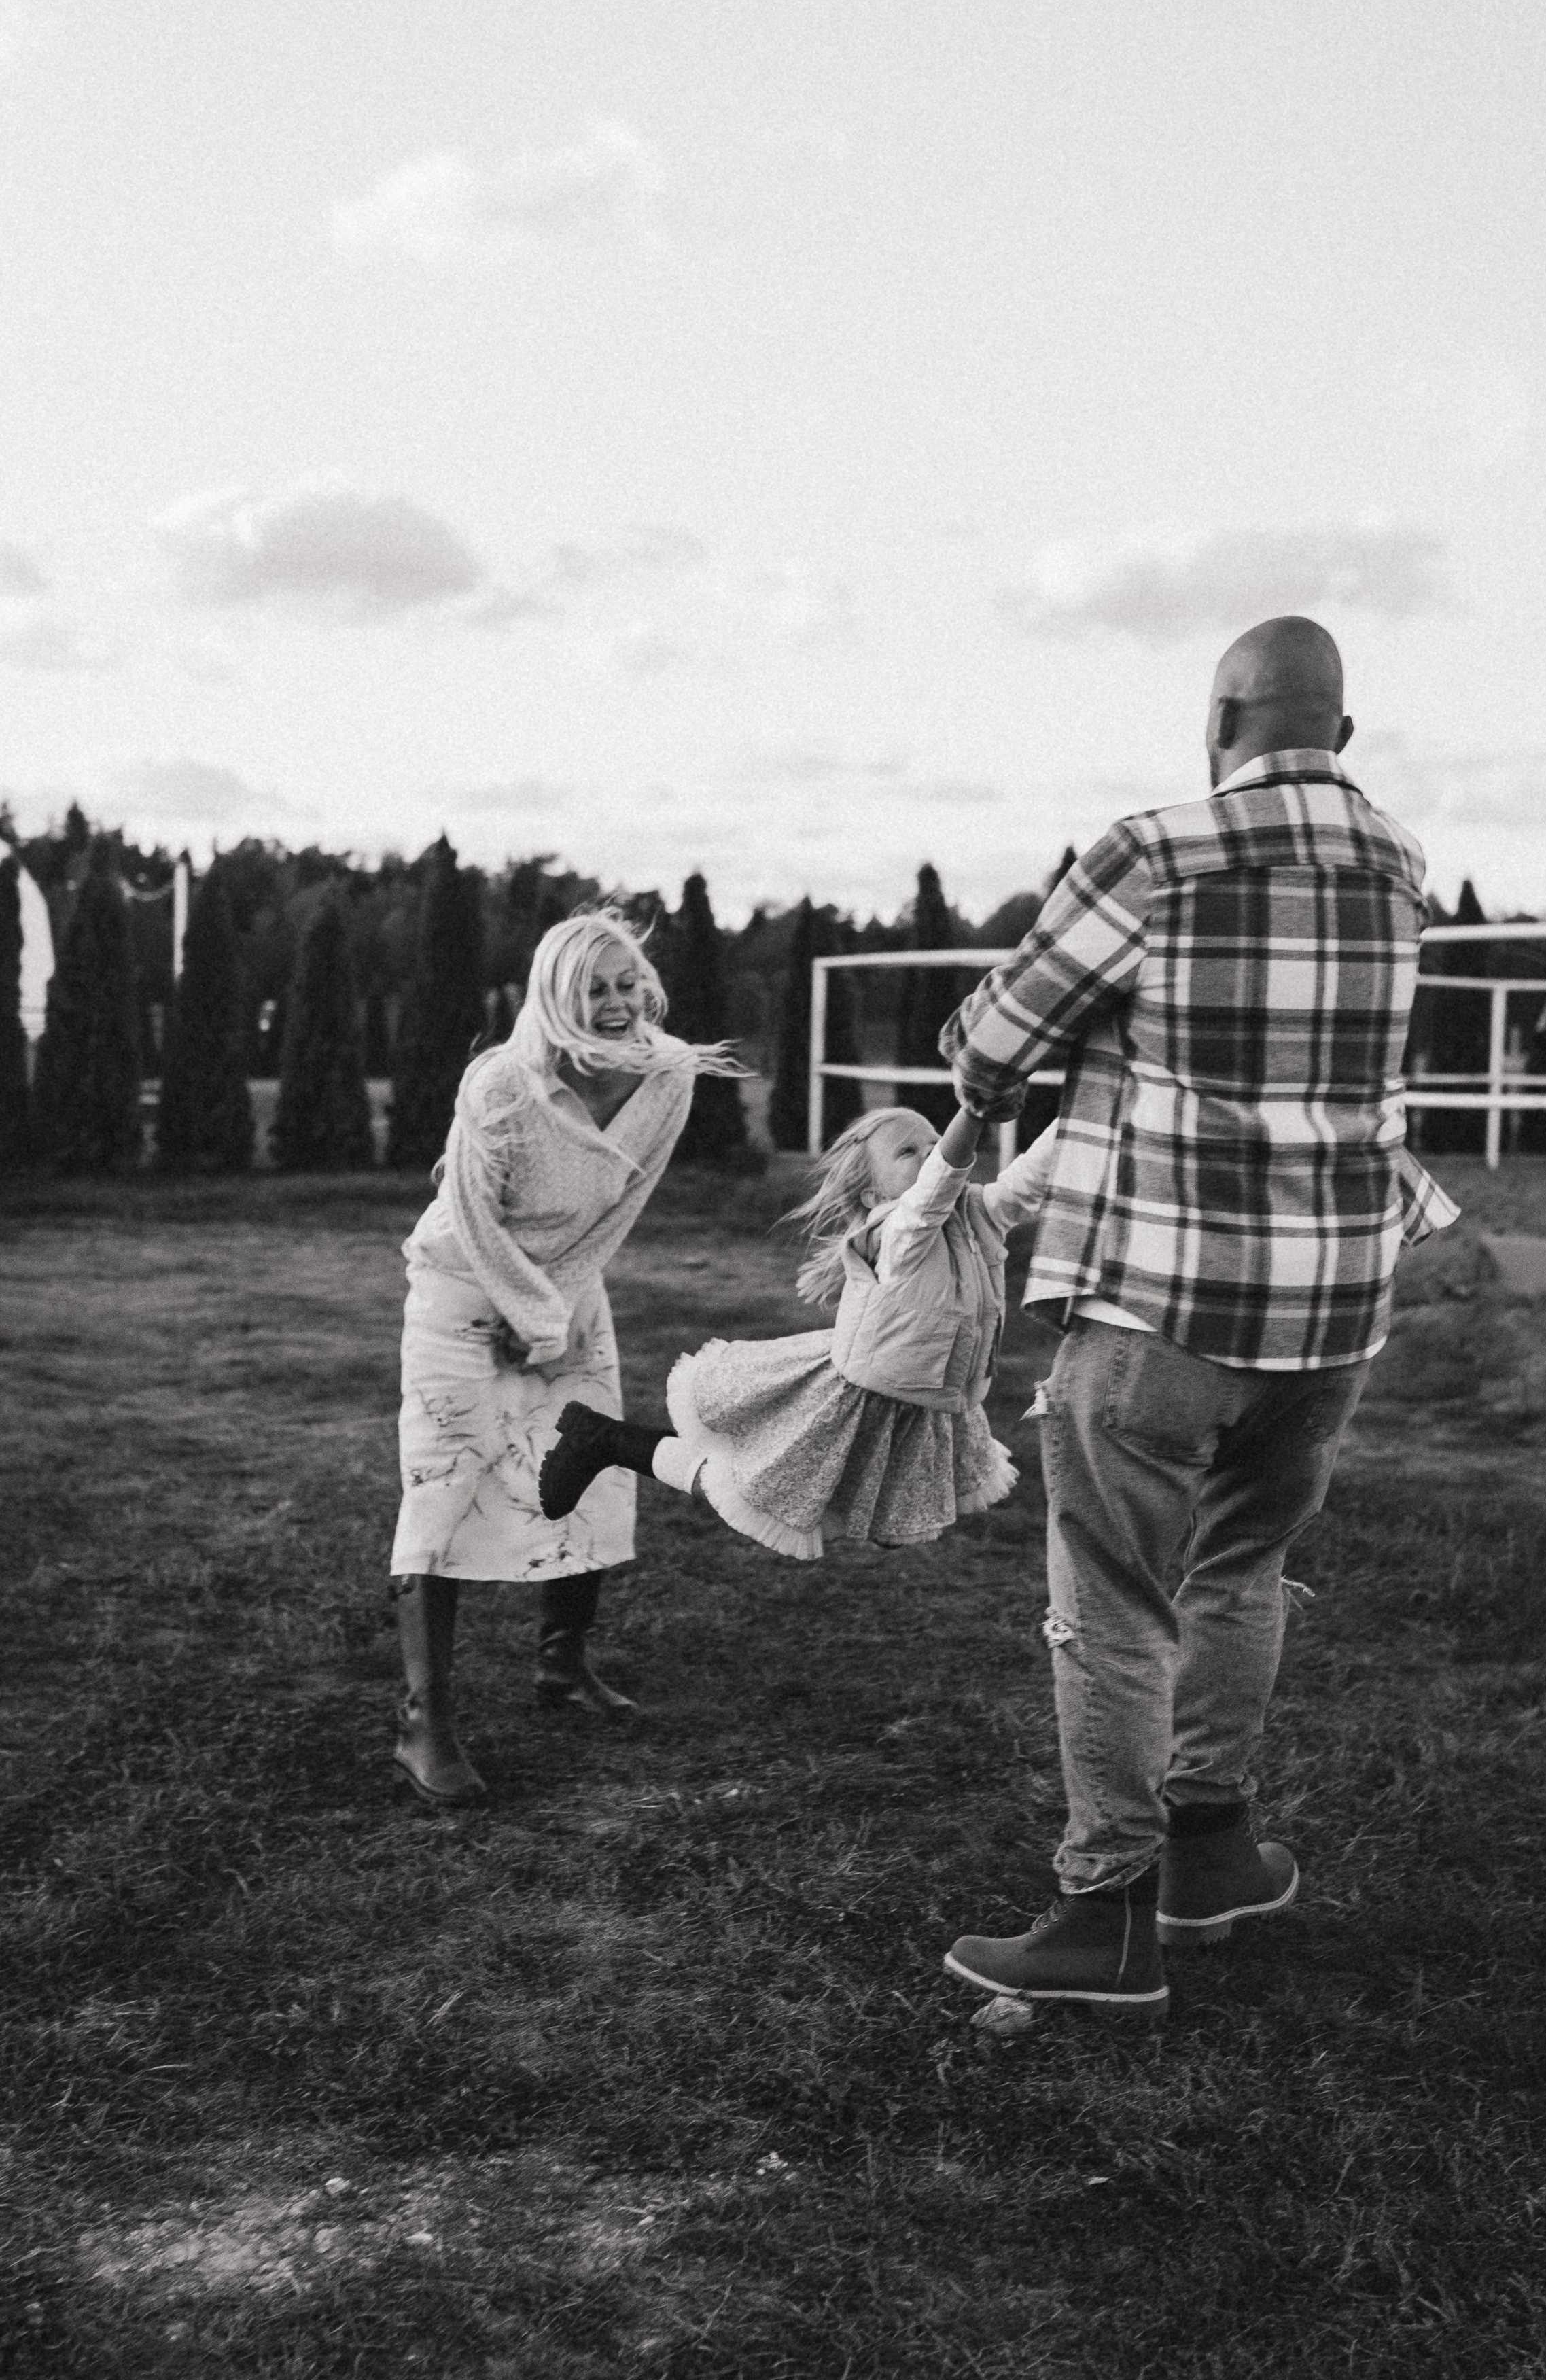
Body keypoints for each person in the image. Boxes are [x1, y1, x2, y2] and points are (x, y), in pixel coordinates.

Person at [937, 616, 1459, 2020]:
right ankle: (1211, 1852)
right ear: (1338, 736)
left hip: (1164, 1301)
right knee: (1237, 1569)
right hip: (1336, 1305)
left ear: (1211, 723)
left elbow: (992, 1042)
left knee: (1109, 1599)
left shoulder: (1151, 851)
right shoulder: (1399, 862)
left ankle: (1103, 1912)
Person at [388, 907, 736, 1806]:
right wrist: (521, 1310)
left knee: (586, 1467)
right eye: (595, 989)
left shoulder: (669, 1076)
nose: (617, 1005)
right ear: (556, 994)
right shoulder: (501, 1084)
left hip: (571, 1290)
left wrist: (558, 1310)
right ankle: (425, 1727)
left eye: (627, 986)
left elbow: (620, 1210)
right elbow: (473, 1213)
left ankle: (563, 1669)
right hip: (463, 1284)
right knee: (446, 1482)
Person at [538, 1096, 1049, 1560]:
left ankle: (602, 1438)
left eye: (935, 1143)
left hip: (921, 1401)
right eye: (908, 1151)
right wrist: (975, 1110)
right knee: (751, 1493)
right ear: (872, 1195)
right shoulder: (898, 1229)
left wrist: (1091, 1107)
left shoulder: (977, 1214)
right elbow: (935, 1191)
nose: (931, 1154)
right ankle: (601, 1440)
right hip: (855, 1400)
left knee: (871, 1522)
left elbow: (1027, 1181)